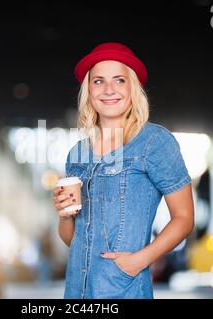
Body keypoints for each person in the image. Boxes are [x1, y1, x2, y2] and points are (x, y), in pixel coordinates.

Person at [52, 42, 194, 298]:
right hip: (76, 292)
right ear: (89, 91)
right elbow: (73, 239)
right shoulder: (77, 153)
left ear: (132, 88)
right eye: (98, 81)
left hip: (123, 290)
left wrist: (140, 260)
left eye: (119, 80)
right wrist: (64, 215)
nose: (108, 90)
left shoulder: (154, 142)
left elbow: (184, 218)